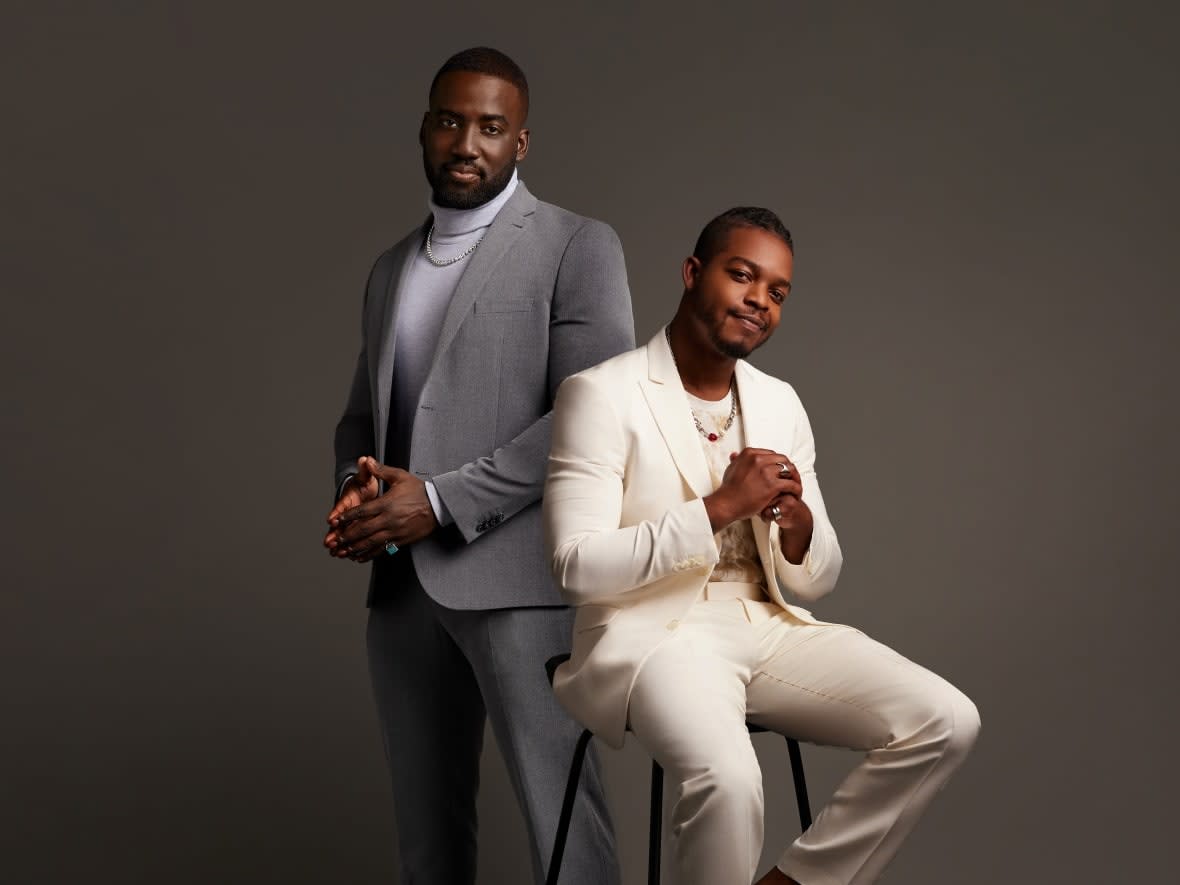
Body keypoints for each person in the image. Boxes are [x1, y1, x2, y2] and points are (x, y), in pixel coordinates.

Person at [544, 207, 980, 885]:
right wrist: (719, 508)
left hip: (769, 626)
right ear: (693, 274)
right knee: (728, 779)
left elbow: (815, 578)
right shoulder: (602, 394)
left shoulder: (781, 402)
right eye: (742, 275)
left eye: (777, 292)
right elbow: (575, 566)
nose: (759, 300)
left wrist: (800, 532)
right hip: (656, 632)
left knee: (946, 719)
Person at [324, 47, 632, 885]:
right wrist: (358, 494)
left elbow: (590, 418)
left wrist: (439, 500)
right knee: (427, 844)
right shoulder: (391, 268)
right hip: (401, 590)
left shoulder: (578, 245)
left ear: (521, 142)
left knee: (567, 832)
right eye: (452, 121)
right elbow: (365, 414)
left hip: (520, 585)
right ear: (426, 129)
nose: (469, 142)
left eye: (491, 127)